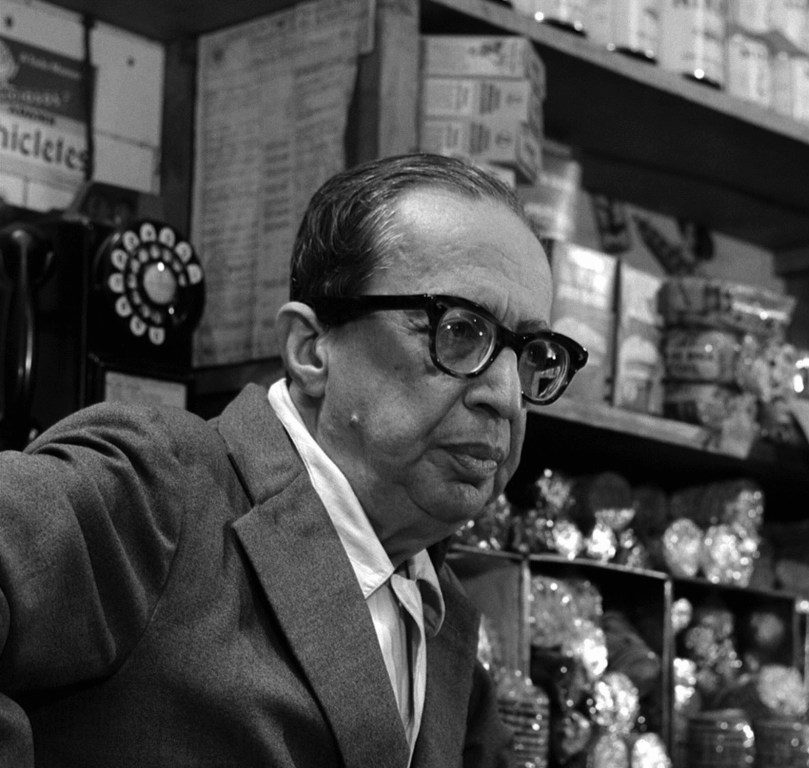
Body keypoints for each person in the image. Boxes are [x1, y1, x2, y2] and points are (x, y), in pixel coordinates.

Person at [0, 152, 587, 767]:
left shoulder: (440, 616)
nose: (506, 397)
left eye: (533, 356)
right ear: (311, 350)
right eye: (460, 331)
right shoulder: (160, 487)